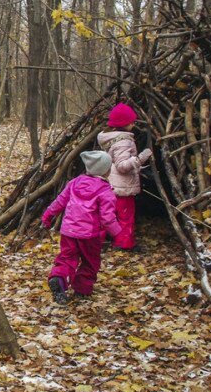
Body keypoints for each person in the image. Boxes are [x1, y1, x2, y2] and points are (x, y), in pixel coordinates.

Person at [42, 150, 122, 305]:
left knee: (67, 258)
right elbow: (107, 218)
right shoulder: (106, 192)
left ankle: (59, 278)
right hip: (89, 235)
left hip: (68, 232)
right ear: (106, 170)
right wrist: (117, 234)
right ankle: (82, 289)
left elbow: (59, 202)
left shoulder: (74, 183)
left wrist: (47, 216)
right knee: (90, 261)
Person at [97, 103, 153, 252]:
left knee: (107, 215)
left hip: (110, 185)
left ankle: (98, 242)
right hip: (122, 188)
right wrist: (141, 158)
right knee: (125, 217)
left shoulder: (110, 139)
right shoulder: (124, 141)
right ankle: (124, 244)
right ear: (123, 124)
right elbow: (122, 166)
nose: (133, 124)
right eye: (131, 122)